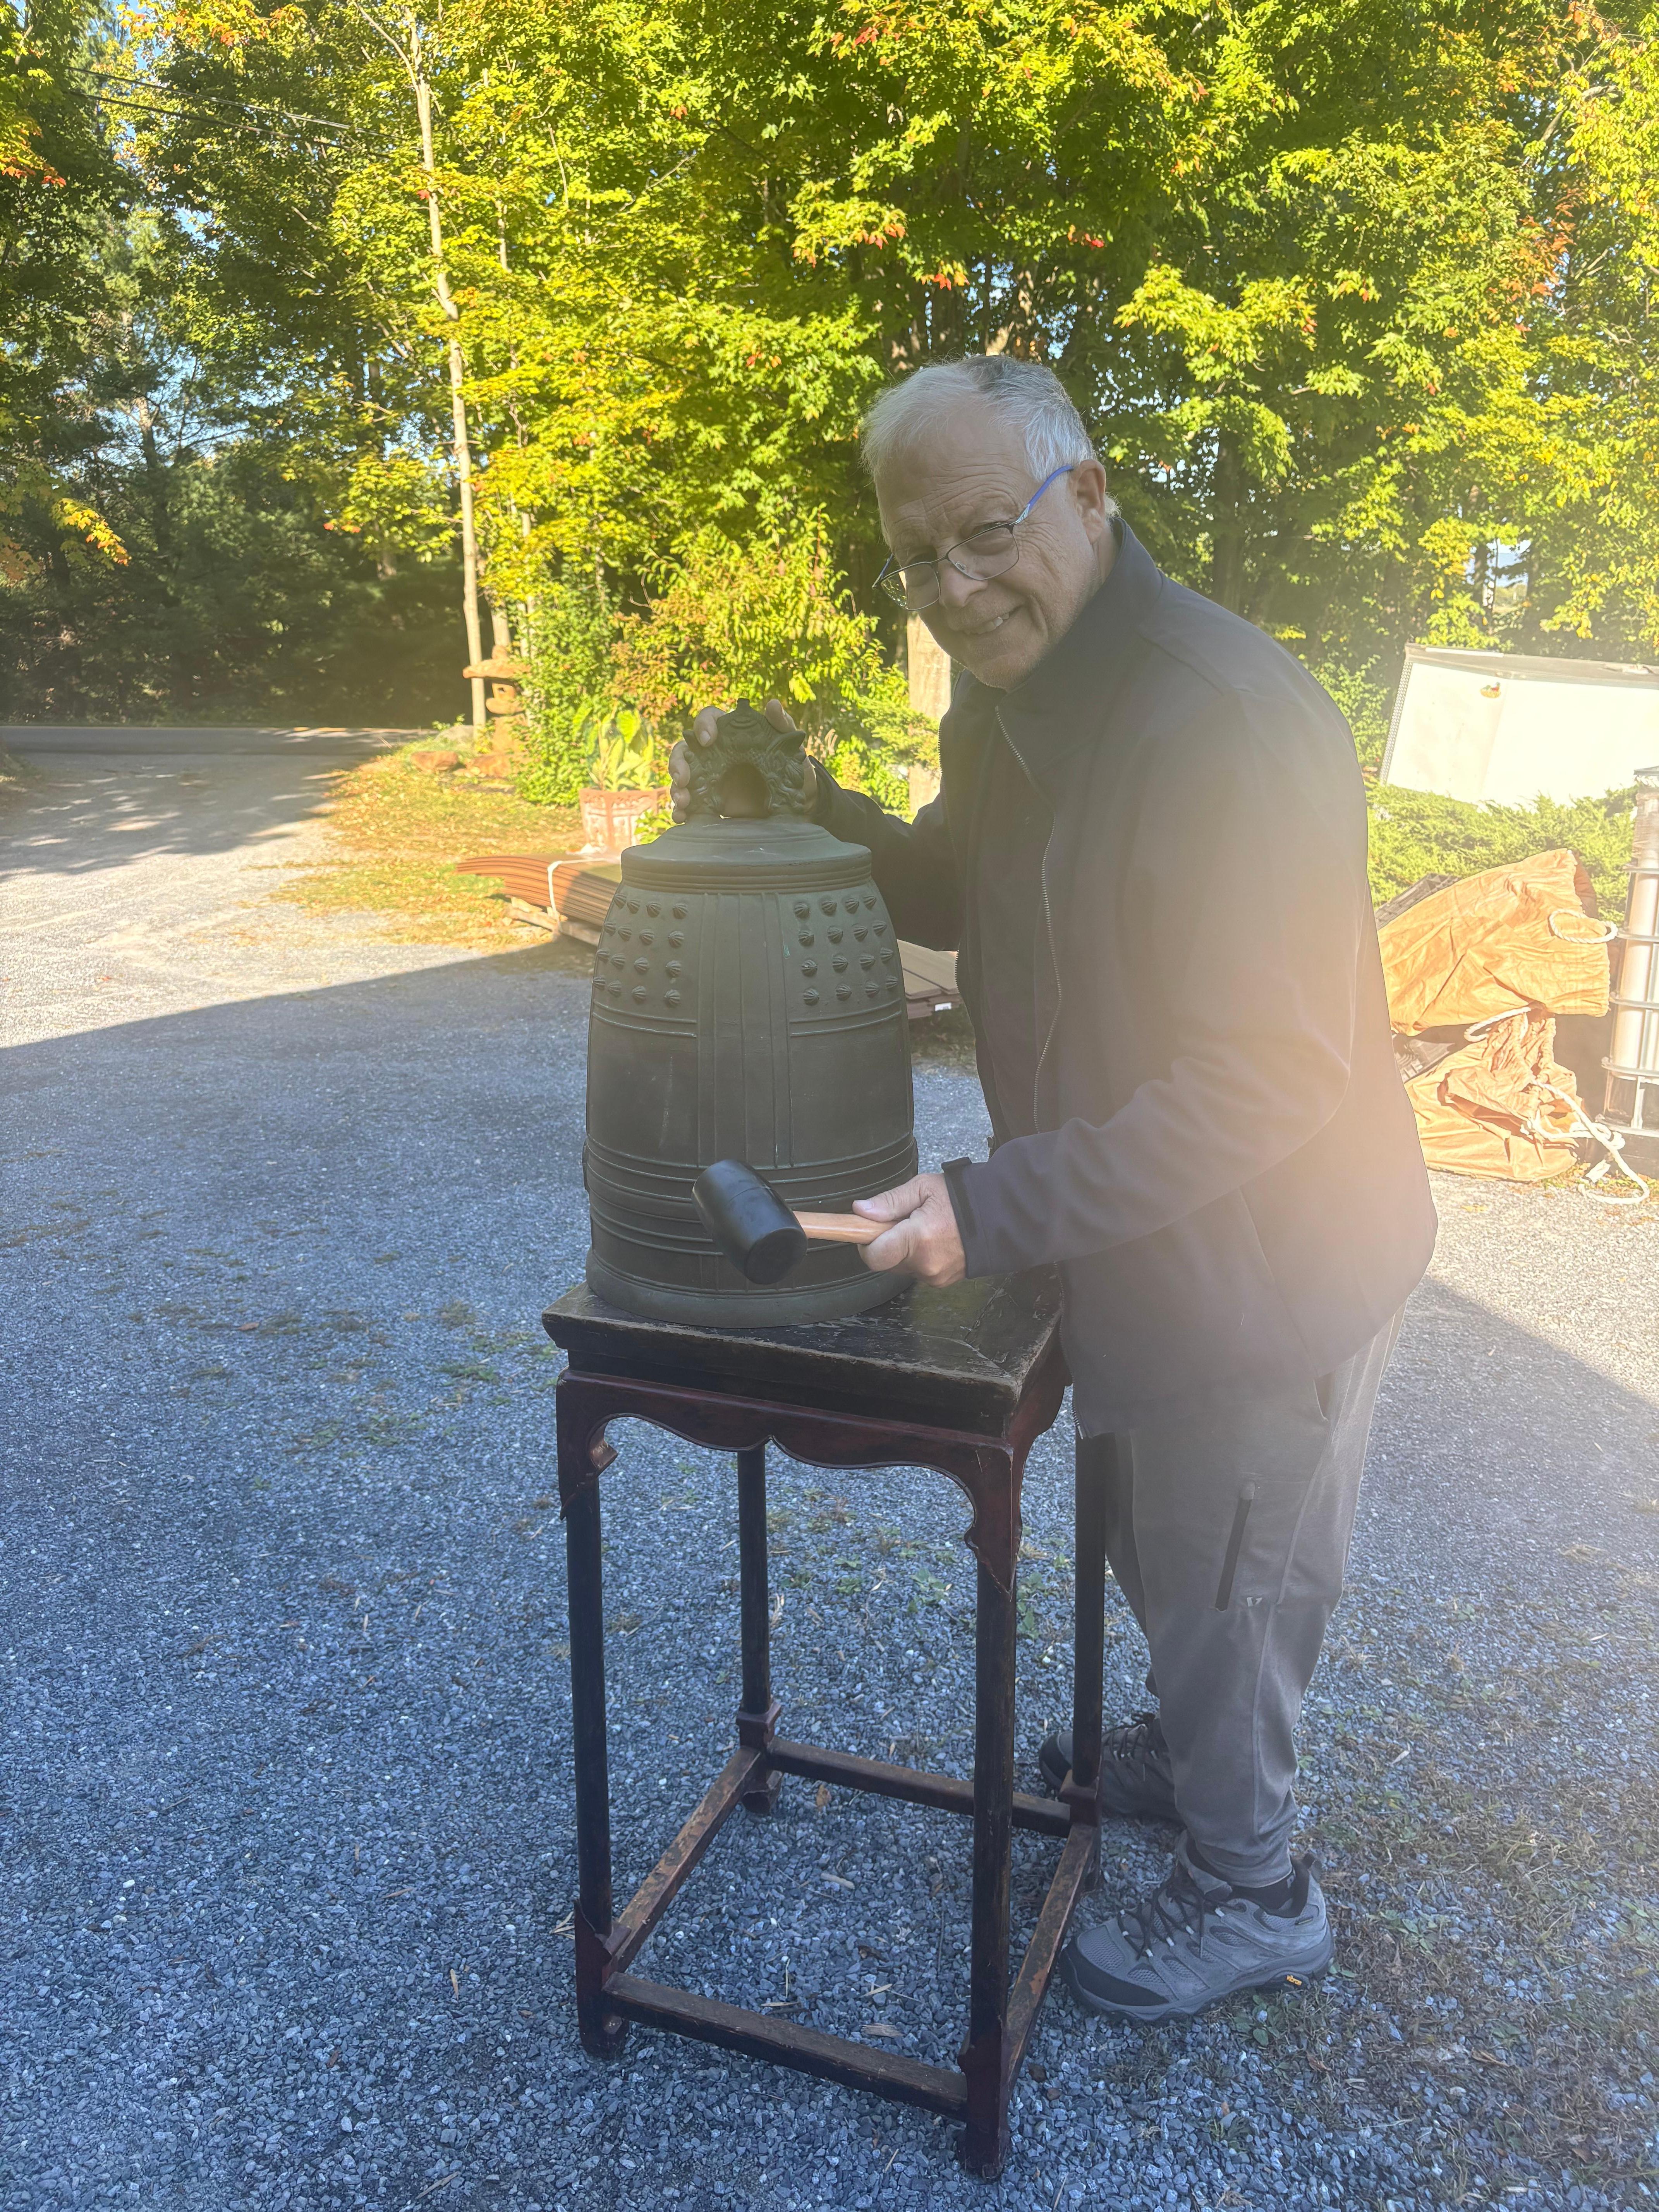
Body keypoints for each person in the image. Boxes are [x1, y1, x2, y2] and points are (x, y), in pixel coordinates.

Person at [671, 356, 1436, 2022]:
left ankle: (1256, 1889)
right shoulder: (1012, 694)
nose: (954, 587)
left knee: (1233, 1557)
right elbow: (963, 879)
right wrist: (826, 809)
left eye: (985, 535)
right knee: (1158, 1532)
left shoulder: (1223, 722)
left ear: (1087, 494)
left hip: (1270, 1250)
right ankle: (1195, 1749)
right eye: (914, 556)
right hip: (1130, 1218)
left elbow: (1270, 1075)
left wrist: (992, 1208)